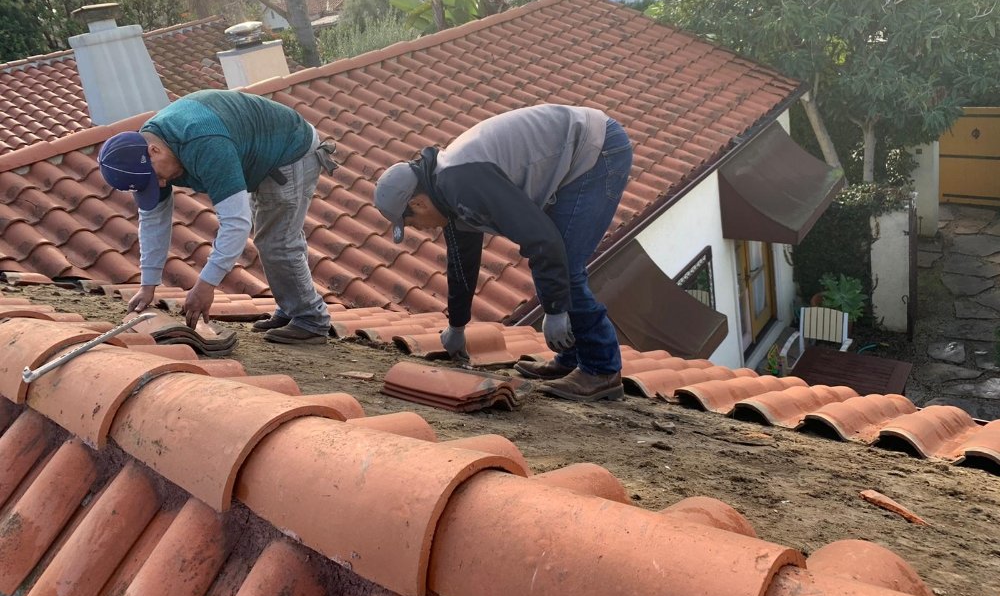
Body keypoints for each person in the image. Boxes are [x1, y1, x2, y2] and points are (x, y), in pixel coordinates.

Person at [374, 103, 633, 402]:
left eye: (411, 223)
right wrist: (457, 326)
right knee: (555, 263)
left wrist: (555, 310)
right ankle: (572, 357)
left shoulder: (463, 182)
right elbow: (462, 264)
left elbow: (542, 240)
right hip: (578, 151)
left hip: (596, 150)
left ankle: (601, 370)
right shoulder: (447, 192)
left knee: (566, 265)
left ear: (418, 203)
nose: (420, 229)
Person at [98, 89, 337, 344]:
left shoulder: (205, 144)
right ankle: (291, 307)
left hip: (291, 149)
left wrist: (205, 285)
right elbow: (153, 220)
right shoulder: (147, 155)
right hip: (256, 150)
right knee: (272, 238)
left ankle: (311, 319)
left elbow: (236, 222)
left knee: (277, 240)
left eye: (156, 177)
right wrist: (148, 285)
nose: (162, 183)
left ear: (154, 150)